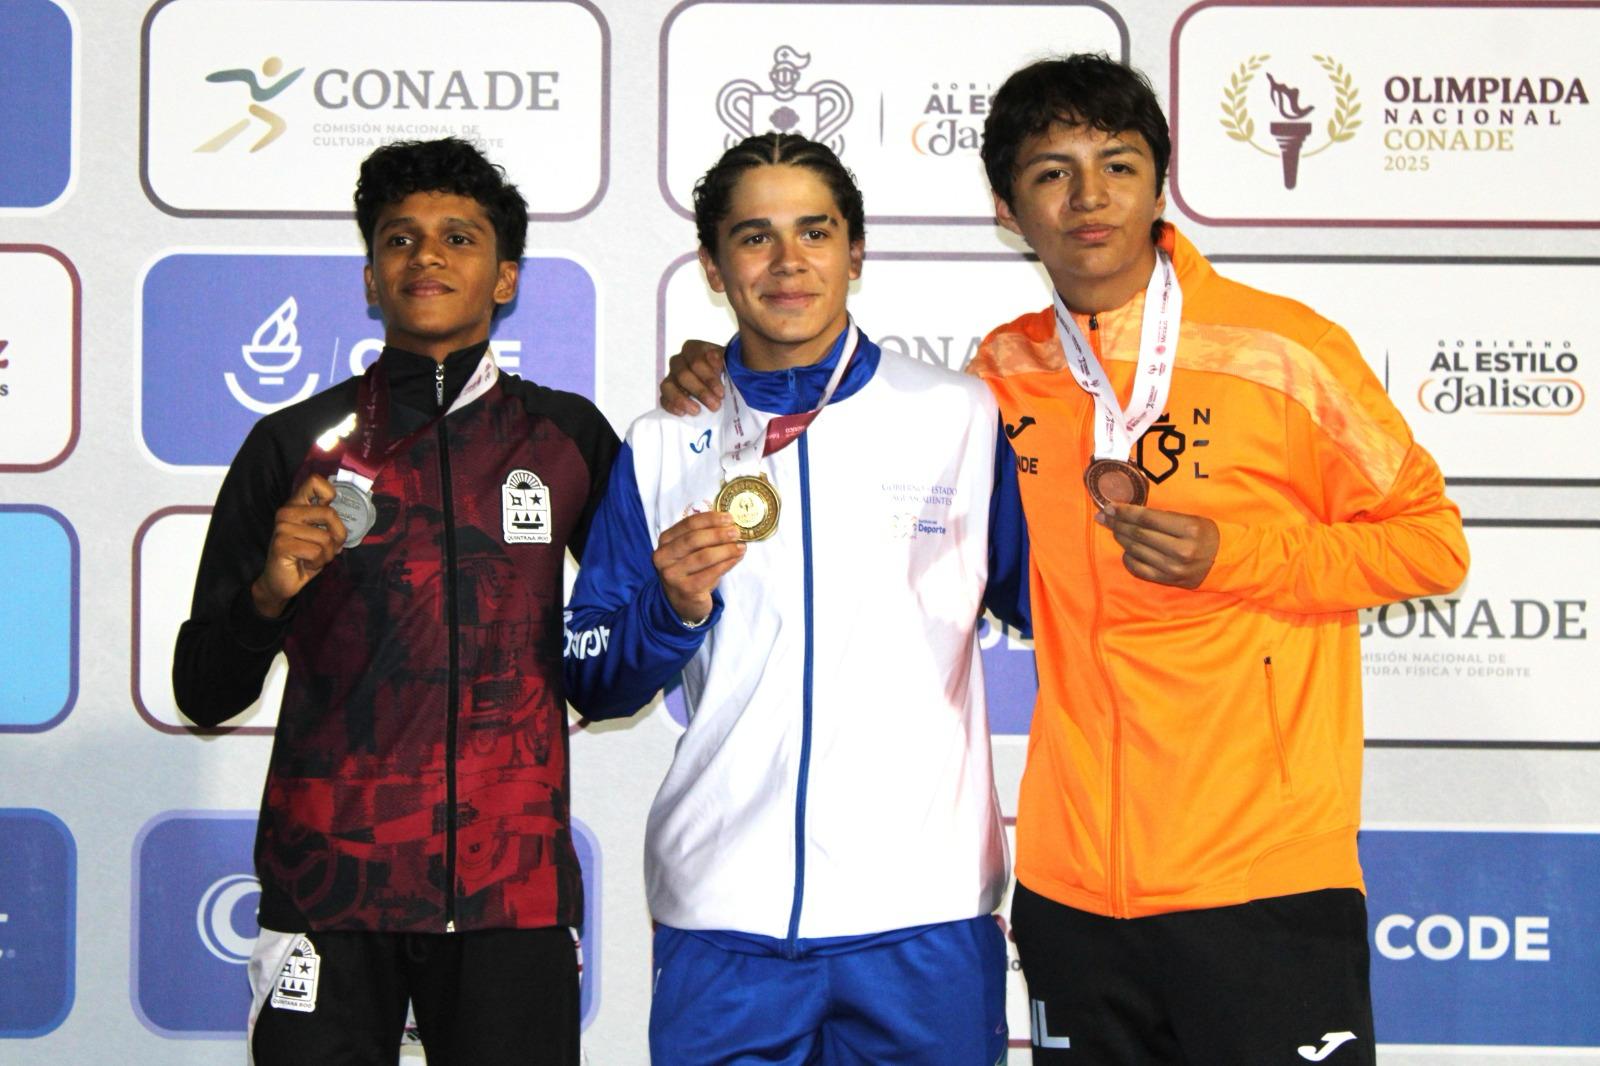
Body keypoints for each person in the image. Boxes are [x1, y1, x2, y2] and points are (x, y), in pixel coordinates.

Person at [661, 55, 1471, 1065]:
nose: (1089, 197)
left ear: (1159, 183)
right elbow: (863, 455)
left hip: (1262, 874)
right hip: (1073, 886)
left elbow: (1430, 543)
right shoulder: (999, 375)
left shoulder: (1286, 350)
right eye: (1052, 172)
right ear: (1008, 208)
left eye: (1117, 165)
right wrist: (724, 375)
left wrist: (1236, 552)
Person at [562, 132, 1015, 1064]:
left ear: (856, 251)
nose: (787, 261)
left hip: (922, 913)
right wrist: (670, 609)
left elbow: (1058, 605)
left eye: (814, 231)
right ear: (713, 267)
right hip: (723, 915)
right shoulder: (664, 442)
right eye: (754, 237)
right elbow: (592, 679)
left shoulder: (958, 414)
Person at [173, 137, 617, 1066]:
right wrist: (268, 598)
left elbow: (626, 651)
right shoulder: (294, 443)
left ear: (505, 279)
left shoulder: (567, 436)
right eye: (400, 239)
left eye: (459, 237)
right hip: (327, 888)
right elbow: (203, 692)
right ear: (371, 278)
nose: (427, 257)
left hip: (513, 896)